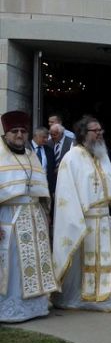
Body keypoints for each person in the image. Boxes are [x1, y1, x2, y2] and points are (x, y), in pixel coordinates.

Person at [52, 116, 111, 311]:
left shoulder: (101, 155)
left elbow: (110, 185)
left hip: (105, 220)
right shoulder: (71, 158)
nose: (99, 134)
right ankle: (82, 297)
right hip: (84, 221)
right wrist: (74, 220)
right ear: (83, 133)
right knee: (83, 263)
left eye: (100, 130)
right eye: (94, 131)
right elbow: (66, 194)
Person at [0, 111, 58, 323]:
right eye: (14, 131)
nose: (19, 135)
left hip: (34, 218)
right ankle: (9, 310)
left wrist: (46, 213)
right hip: (9, 217)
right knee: (12, 265)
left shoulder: (31, 154)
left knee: (35, 262)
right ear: (6, 133)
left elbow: (41, 189)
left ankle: (34, 307)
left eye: (23, 131)